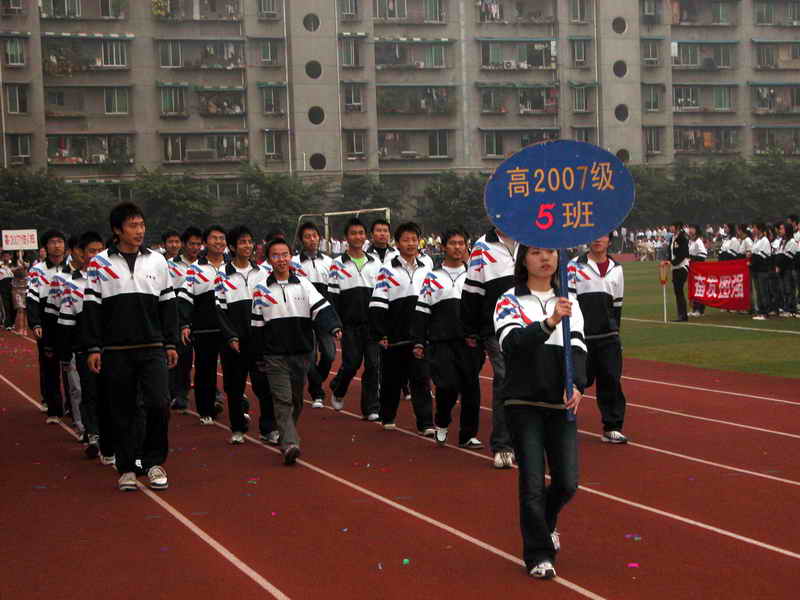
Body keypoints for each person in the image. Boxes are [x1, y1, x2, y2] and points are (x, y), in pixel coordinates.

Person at [494, 245, 585, 580]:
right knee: (532, 482)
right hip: (523, 403)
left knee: (567, 483)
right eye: (535, 252)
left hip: (560, 405)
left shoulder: (569, 300)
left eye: (550, 252)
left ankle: (545, 524)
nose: (545, 258)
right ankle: (538, 554)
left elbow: (578, 346)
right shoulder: (508, 300)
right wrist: (550, 322)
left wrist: (577, 383)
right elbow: (512, 344)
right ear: (523, 260)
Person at [83, 202, 178, 491]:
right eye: (133, 225)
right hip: (116, 350)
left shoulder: (157, 261)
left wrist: (170, 342)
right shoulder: (99, 263)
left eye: (141, 225)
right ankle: (126, 467)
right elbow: (92, 308)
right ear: (117, 230)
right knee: (122, 410)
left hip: (153, 346)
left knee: (159, 403)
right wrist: (93, 347)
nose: (139, 231)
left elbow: (168, 303)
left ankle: (153, 462)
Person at [250, 238, 342, 465]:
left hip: (301, 353)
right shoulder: (261, 289)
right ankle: (290, 443)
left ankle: (286, 430)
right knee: (282, 400)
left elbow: (321, 308)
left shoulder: (303, 284)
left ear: (290, 257)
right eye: (275, 255)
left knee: (296, 401)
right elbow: (257, 327)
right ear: (268, 259)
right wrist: (258, 356)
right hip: (274, 355)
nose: (281, 259)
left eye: (284, 255)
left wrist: (334, 326)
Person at [412, 229, 484, 448]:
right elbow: (422, 310)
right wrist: (419, 340)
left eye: (462, 243)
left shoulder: (474, 275)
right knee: (447, 386)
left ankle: (468, 435)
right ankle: (442, 421)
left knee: (471, 389)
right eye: (453, 243)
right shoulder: (432, 277)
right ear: (443, 247)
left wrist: (479, 335)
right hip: (441, 342)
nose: (458, 247)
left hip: (470, 343)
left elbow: (482, 309)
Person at [369, 222, 434, 435]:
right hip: (395, 336)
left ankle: (425, 423)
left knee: (421, 379)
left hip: (419, 335)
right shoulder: (387, 270)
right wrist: (381, 333)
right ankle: (388, 417)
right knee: (392, 380)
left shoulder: (427, 268)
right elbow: (378, 303)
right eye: (406, 240)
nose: (411, 243)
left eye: (414, 239)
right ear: (397, 243)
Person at [462, 226, 518, 468]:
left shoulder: (532, 237)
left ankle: (529, 441)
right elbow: (472, 290)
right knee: (505, 378)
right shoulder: (482, 247)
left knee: (533, 380)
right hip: (497, 326)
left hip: (533, 323)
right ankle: (503, 445)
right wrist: (471, 329)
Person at [216, 225, 275, 445]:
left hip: (258, 341)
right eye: (242, 242)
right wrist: (231, 337)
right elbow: (219, 309)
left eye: (250, 241)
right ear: (232, 247)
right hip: (234, 342)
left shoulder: (263, 273)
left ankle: (268, 428)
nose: (247, 246)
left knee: (264, 386)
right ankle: (237, 428)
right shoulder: (222, 275)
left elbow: (270, 304)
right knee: (234, 387)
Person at [568, 235, 628, 444]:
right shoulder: (574, 266)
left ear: (609, 240)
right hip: (582, 337)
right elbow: (569, 303)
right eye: (593, 235)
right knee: (576, 381)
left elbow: (617, 305)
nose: (597, 240)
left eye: (602, 235)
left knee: (611, 380)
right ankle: (561, 422)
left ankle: (612, 426)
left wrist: (615, 332)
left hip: (608, 336)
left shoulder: (616, 269)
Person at [56, 231, 109, 460]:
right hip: (84, 347)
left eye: (100, 251)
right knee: (89, 392)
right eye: (91, 251)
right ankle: (93, 433)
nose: (96, 255)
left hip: (111, 346)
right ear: (81, 253)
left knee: (111, 392)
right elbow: (66, 321)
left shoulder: (111, 278)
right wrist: (65, 352)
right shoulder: (71, 283)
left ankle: (110, 433)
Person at [327, 219, 382, 420]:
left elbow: (382, 293)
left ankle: (371, 408)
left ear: (365, 236)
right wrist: (335, 324)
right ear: (346, 237)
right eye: (353, 233)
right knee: (351, 364)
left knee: (373, 365)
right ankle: (339, 388)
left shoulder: (376, 263)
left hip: (372, 324)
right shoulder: (337, 264)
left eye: (361, 233)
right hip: (349, 325)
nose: (357, 237)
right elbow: (332, 297)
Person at [178, 225, 228, 424]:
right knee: (205, 370)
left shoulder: (232, 266)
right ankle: (205, 410)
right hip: (205, 328)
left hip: (229, 329)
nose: (219, 242)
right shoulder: (195, 269)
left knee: (235, 370)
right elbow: (185, 298)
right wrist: (185, 323)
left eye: (222, 238)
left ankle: (237, 407)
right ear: (206, 243)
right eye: (214, 238)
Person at [27, 229, 70, 422]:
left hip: (69, 319)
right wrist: (35, 322)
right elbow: (32, 298)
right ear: (45, 247)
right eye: (52, 242)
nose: (57, 245)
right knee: (49, 366)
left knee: (71, 365)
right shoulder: (37, 270)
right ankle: (54, 409)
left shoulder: (72, 266)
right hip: (47, 321)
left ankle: (72, 406)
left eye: (60, 241)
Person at [291, 222, 335, 409]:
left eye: (315, 236)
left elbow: (333, 290)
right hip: (303, 316)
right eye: (307, 236)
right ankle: (317, 392)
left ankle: (315, 381)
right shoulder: (294, 262)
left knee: (330, 355)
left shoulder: (329, 262)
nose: (312, 239)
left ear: (320, 238)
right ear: (301, 240)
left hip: (323, 315)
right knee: (309, 357)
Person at [166, 227, 202, 412]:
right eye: (191, 244)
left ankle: (211, 394)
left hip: (201, 317)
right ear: (184, 244)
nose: (195, 247)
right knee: (183, 358)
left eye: (198, 244)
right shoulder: (170, 265)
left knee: (205, 358)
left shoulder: (204, 265)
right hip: (180, 317)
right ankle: (180, 394)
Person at [661, 222, 689, 322]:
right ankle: (681, 314)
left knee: (679, 290)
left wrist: (672, 262)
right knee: (677, 291)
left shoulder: (682, 238)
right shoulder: (673, 237)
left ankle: (683, 315)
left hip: (682, 267)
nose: (670, 227)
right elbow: (671, 253)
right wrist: (667, 261)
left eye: (672, 226)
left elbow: (683, 254)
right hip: (675, 268)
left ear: (677, 227)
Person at [751, 223, 773, 320]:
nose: (753, 230)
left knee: (764, 292)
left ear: (759, 229)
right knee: (759, 292)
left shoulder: (765, 240)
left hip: (762, 270)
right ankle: (760, 311)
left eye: (754, 228)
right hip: (756, 269)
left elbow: (762, 256)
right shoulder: (756, 240)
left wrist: (753, 259)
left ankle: (765, 312)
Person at [687, 225, 707, 317]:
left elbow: (703, 255)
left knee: (699, 288)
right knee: (693, 289)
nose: (690, 230)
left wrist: (692, 259)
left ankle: (700, 310)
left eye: (692, 228)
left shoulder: (699, 241)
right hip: (691, 268)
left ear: (696, 230)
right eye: (690, 228)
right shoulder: (690, 241)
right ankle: (694, 308)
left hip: (698, 268)